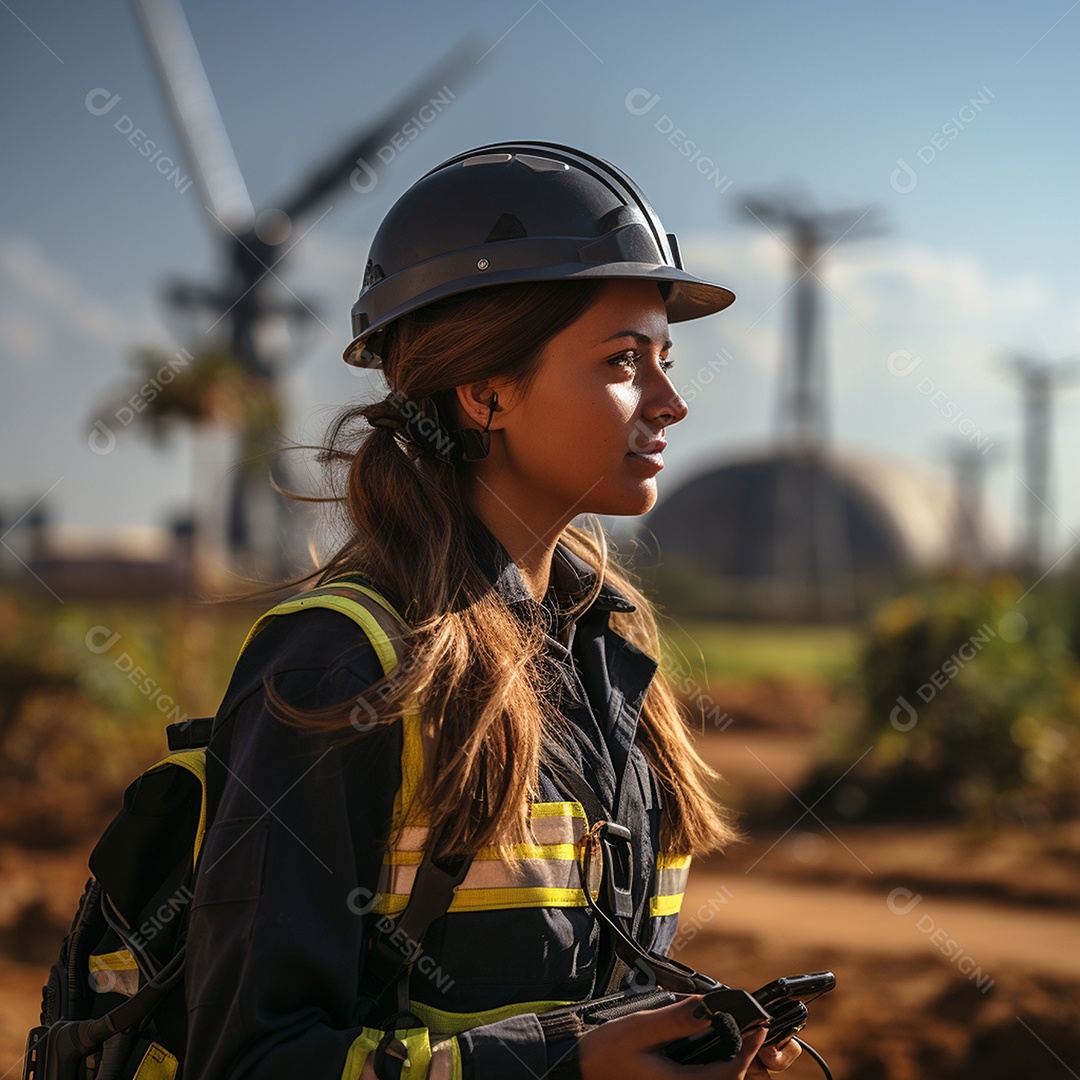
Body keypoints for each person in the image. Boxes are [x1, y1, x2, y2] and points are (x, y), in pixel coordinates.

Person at [184, 142, 802, 1079]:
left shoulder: (605, 650)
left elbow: (561, 991)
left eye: (665, 359)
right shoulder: (339, 671)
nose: (670, 403)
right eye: (624, 361)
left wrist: (687, 1046)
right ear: (485, 392)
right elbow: (247, 1060)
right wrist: (567, 1067)